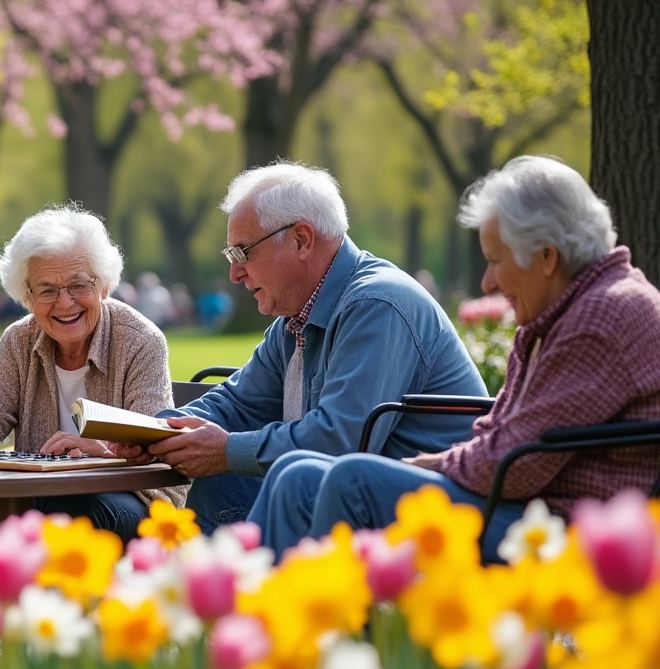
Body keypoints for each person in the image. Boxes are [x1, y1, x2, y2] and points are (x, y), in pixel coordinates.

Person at [247, 155, 660, 561]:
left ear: (546, 257)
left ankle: (338, 627)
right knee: (297, 472)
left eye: (496, 260)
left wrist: (437, 465)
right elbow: (510, 440)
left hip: (557, 529)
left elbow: (519, 462)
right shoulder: (568, 309)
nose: (488, 281)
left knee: (353, 479)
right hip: (522, 508)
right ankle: (266, 620)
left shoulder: (602, 316)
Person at [116, 160, 487, 533]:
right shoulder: (296, 319)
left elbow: (340, 439)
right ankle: (226, 583)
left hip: (433, 515)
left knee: (257, 472)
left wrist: (225, 450)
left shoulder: (376, 303)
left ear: (301, 239)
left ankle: (237, 585)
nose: (234, 273)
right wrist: (150, 433)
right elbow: (237, 403)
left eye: (243, 253)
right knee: (224, 476)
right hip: (358, 502)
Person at [0, 203, 189, 586]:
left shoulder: (140, 340)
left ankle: (59, 630)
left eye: (78, 285)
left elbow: (153, 444)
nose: (64, 302)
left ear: (102, 285)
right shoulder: (19, 339)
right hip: (35, 493)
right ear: (25, 295)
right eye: (47, 290)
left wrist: (103, 451)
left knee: (68, 507)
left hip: (130, 500)